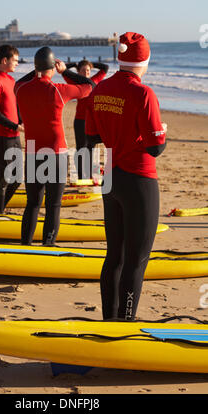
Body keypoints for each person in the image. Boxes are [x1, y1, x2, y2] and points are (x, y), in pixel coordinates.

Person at [86, 32, 167, 321]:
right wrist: (162, 132)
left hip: (111, 179)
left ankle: (110, 319)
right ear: (144, 60)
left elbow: (91, 134)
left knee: (114, 256)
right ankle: (127, 320)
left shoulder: (100, 89)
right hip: (139, 179)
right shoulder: (143, 93)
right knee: (136, 260)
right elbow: (156, 147)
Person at [15, 46, 95, 245]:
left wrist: (39, 68)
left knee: (32, 203)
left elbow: (19, 81)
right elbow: (90, 86)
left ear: (36, 67)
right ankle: (48, 243)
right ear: (53, 67)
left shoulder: (21, 90)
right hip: (56, 154)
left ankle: (25, 243)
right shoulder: (59, 91)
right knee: (53, 204)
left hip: (33, 154)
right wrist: (65, 71)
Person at [0, 44, 24, 214]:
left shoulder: (10, 79)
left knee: (17, 179)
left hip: (15, 136)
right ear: (4, 60)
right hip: (2, 136)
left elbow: (15, 107)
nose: (17, 63)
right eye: (14, 60)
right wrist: (14, 125)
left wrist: (22, 123)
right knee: (4, 178)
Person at [66, 59, 108, 179]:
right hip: (80, 120)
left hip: (93, 121)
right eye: (83, 70)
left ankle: (88, 175)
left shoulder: (94, 81)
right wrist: (74, 64)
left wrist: (91, 64)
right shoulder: (75, 82)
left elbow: (105, 67)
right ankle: (80, 175)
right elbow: (63, 71)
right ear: (78, 72)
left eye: (88, 70)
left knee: (91, 147)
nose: (86, 72)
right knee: (81, 148)